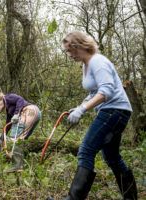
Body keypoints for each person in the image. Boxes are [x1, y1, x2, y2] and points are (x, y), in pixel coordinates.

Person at [61, 31, 137, 199]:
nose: (68, 55)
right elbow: (95, 91)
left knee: (86, 150)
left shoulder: (98, 61)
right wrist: (79, 106)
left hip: (115, 110)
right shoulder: (86, 64)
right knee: (111, 156)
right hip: (114, 111)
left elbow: (106, 91)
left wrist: (83, 109)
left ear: (78, 46)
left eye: (69, 50)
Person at [0, 92, 41, 173]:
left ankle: (17, 165)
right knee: (23, 138)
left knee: (16, 138)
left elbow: (20, 100)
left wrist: (17, 114)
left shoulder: (7, 98)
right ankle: (21, 160)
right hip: (35, 113)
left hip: (29, 111)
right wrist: (1, 138)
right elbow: (8, 124)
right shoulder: (8, 108)